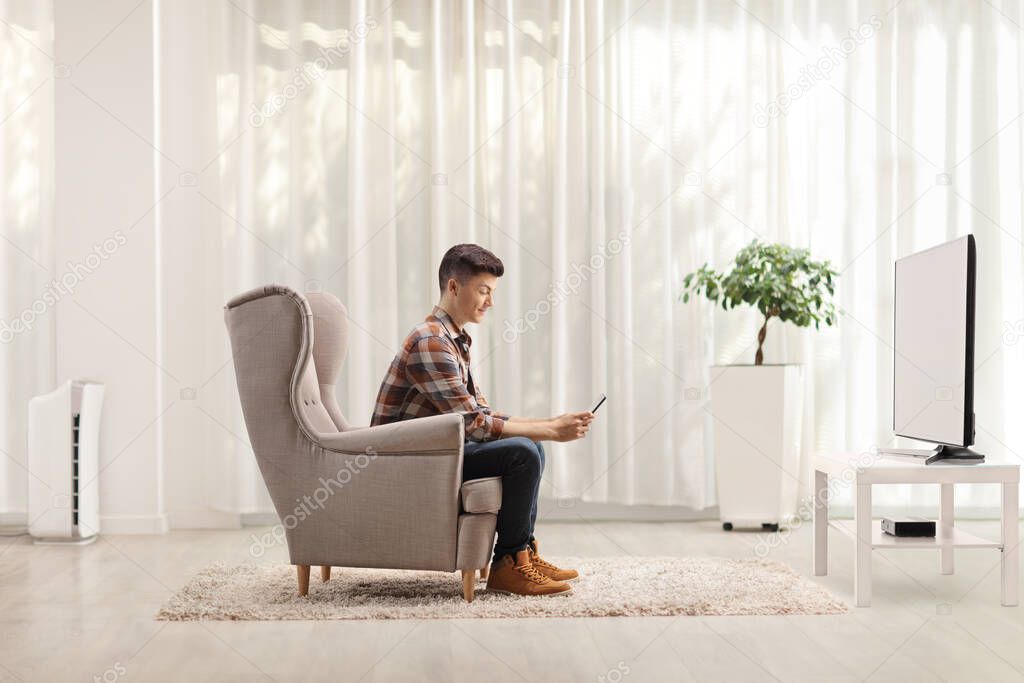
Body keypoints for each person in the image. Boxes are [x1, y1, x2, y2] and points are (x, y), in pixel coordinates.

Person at [371, 243, 594, 596]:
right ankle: (507, 565)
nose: (490, 302)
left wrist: (550, 423)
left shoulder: (453, 339)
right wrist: (552, 430)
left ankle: (521, 554)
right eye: (484, 291)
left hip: (438, 454)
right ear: (454, 287)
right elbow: (476, 425)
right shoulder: (430, 341)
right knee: (522, 451)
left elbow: (480, 414)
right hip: (409, 464)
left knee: (530, 444)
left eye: (492, 292)